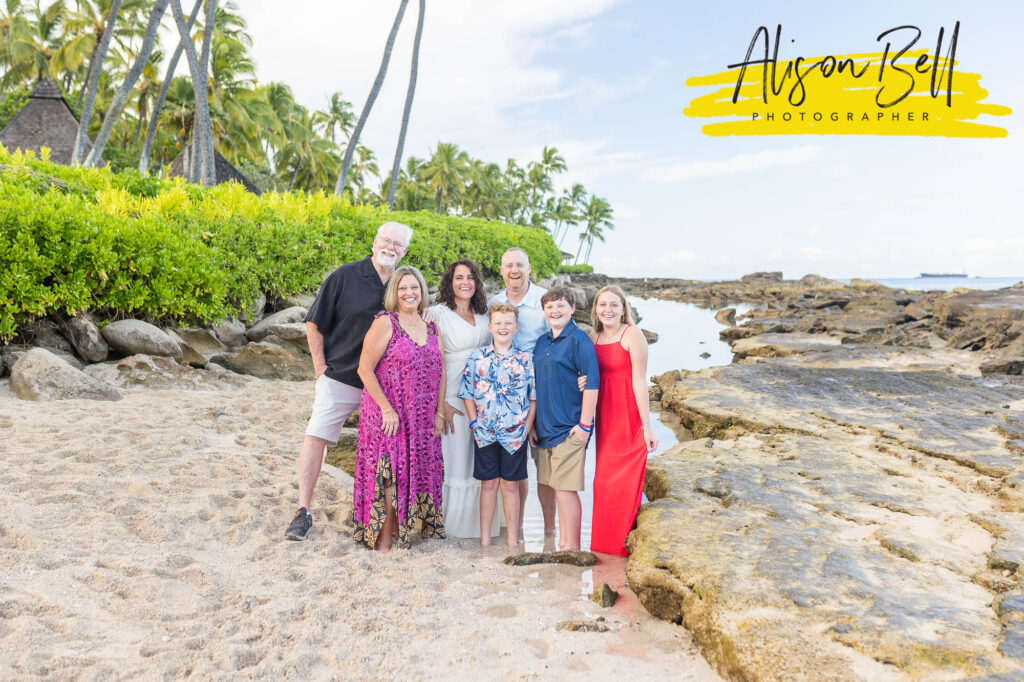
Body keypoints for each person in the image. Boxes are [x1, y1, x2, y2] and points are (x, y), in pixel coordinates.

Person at [285, 221, 413, 541]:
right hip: (340, 376)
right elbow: (314, 324)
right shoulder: (345, 275)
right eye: (387, 240)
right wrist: (320, 369)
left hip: (383, 386)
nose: (391, 248)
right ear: (375, 241)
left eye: (398, 244)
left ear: (405, 251)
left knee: (393, 445)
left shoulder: (402, 285)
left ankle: (386, 515)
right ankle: (303, 511)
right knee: (316, 435)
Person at [353, 266, 446, 551]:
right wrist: (387, 409)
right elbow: (364, 369)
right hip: (388, 415)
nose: (409, 293)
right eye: (403, 288)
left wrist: (439, 412)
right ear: (394, 292)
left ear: (422, 291)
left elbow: (442, 370)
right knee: (389, 477)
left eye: (414, 287)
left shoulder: (432, 326)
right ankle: (383, 542)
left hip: (421, 419)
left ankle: (403, 534)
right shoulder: (385, 322)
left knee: (416, 473)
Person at [459, 302, 536, 550]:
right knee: (489, 484)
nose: (503, 328)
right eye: (499, 323)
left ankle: (513, 541)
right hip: (485, 434)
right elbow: (467, 392)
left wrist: (527, 427)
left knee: (510, 486)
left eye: (508, 323)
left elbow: (533, 398)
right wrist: (473, 422)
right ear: (490, 326)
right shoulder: (477, 357)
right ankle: (484, 541)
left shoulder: (524, 359)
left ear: (516, 327)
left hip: (515, 434)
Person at [587, 286, 657, 556]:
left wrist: (646, 426)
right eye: (602, 304)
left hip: (627, 415)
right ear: (595, 309)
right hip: (605, 416)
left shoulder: (632, 335)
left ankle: (624, 545)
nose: (608, 310)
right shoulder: (593, 338)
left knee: (624, 482)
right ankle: (604, 547)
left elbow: (640, 382)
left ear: (623, 309)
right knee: (603, 482)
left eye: (614, 305)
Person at [488, 248, 553, 536]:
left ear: (529, 268)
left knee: (545, 466)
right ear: (501, 270)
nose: (514, 270)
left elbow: (565, 336)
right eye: (509, 265)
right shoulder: (494, 302)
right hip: (503, 399)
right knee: (516, 465)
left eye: (520, 265)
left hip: (542, 394)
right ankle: (518, 527)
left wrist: (582, 375)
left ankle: (550, 532)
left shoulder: (544, 300)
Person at [428, 259, 494, 539]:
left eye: (470, 277)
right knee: (456, 461)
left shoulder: (484, 315)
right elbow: (431, 361)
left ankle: (483, 526)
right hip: (452, 393)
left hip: (485, 398)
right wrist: (440, 403)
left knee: (480, 460)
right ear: (449, 282)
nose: (465, 282)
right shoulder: (436, 314)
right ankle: (454, 527)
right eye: (458, 277)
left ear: (477, 282)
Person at [531, 286, 599, 551]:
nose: (555, 310)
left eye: (561, 305)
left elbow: (592, 382)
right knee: (548, 485)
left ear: (572, 308)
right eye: (549, 306)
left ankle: (571, 548)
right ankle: (552, 539)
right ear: (544, 311)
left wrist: (585, 425)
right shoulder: (542, 342)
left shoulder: (579, 341)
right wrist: (533, 425)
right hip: (544, 427)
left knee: (565, 489)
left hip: (571, 428)